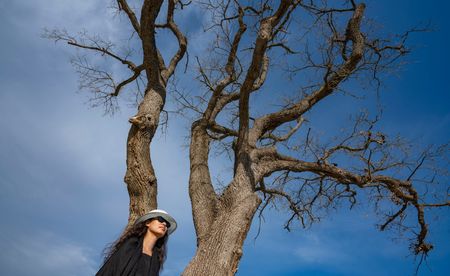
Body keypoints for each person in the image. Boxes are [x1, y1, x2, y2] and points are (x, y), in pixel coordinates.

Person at [96, 209, 177, 276]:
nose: (164, 224)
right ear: (147, 223)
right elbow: (113, 270)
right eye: (161, 219)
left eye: (167, 225)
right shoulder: (131, 244)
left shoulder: (157, 258)